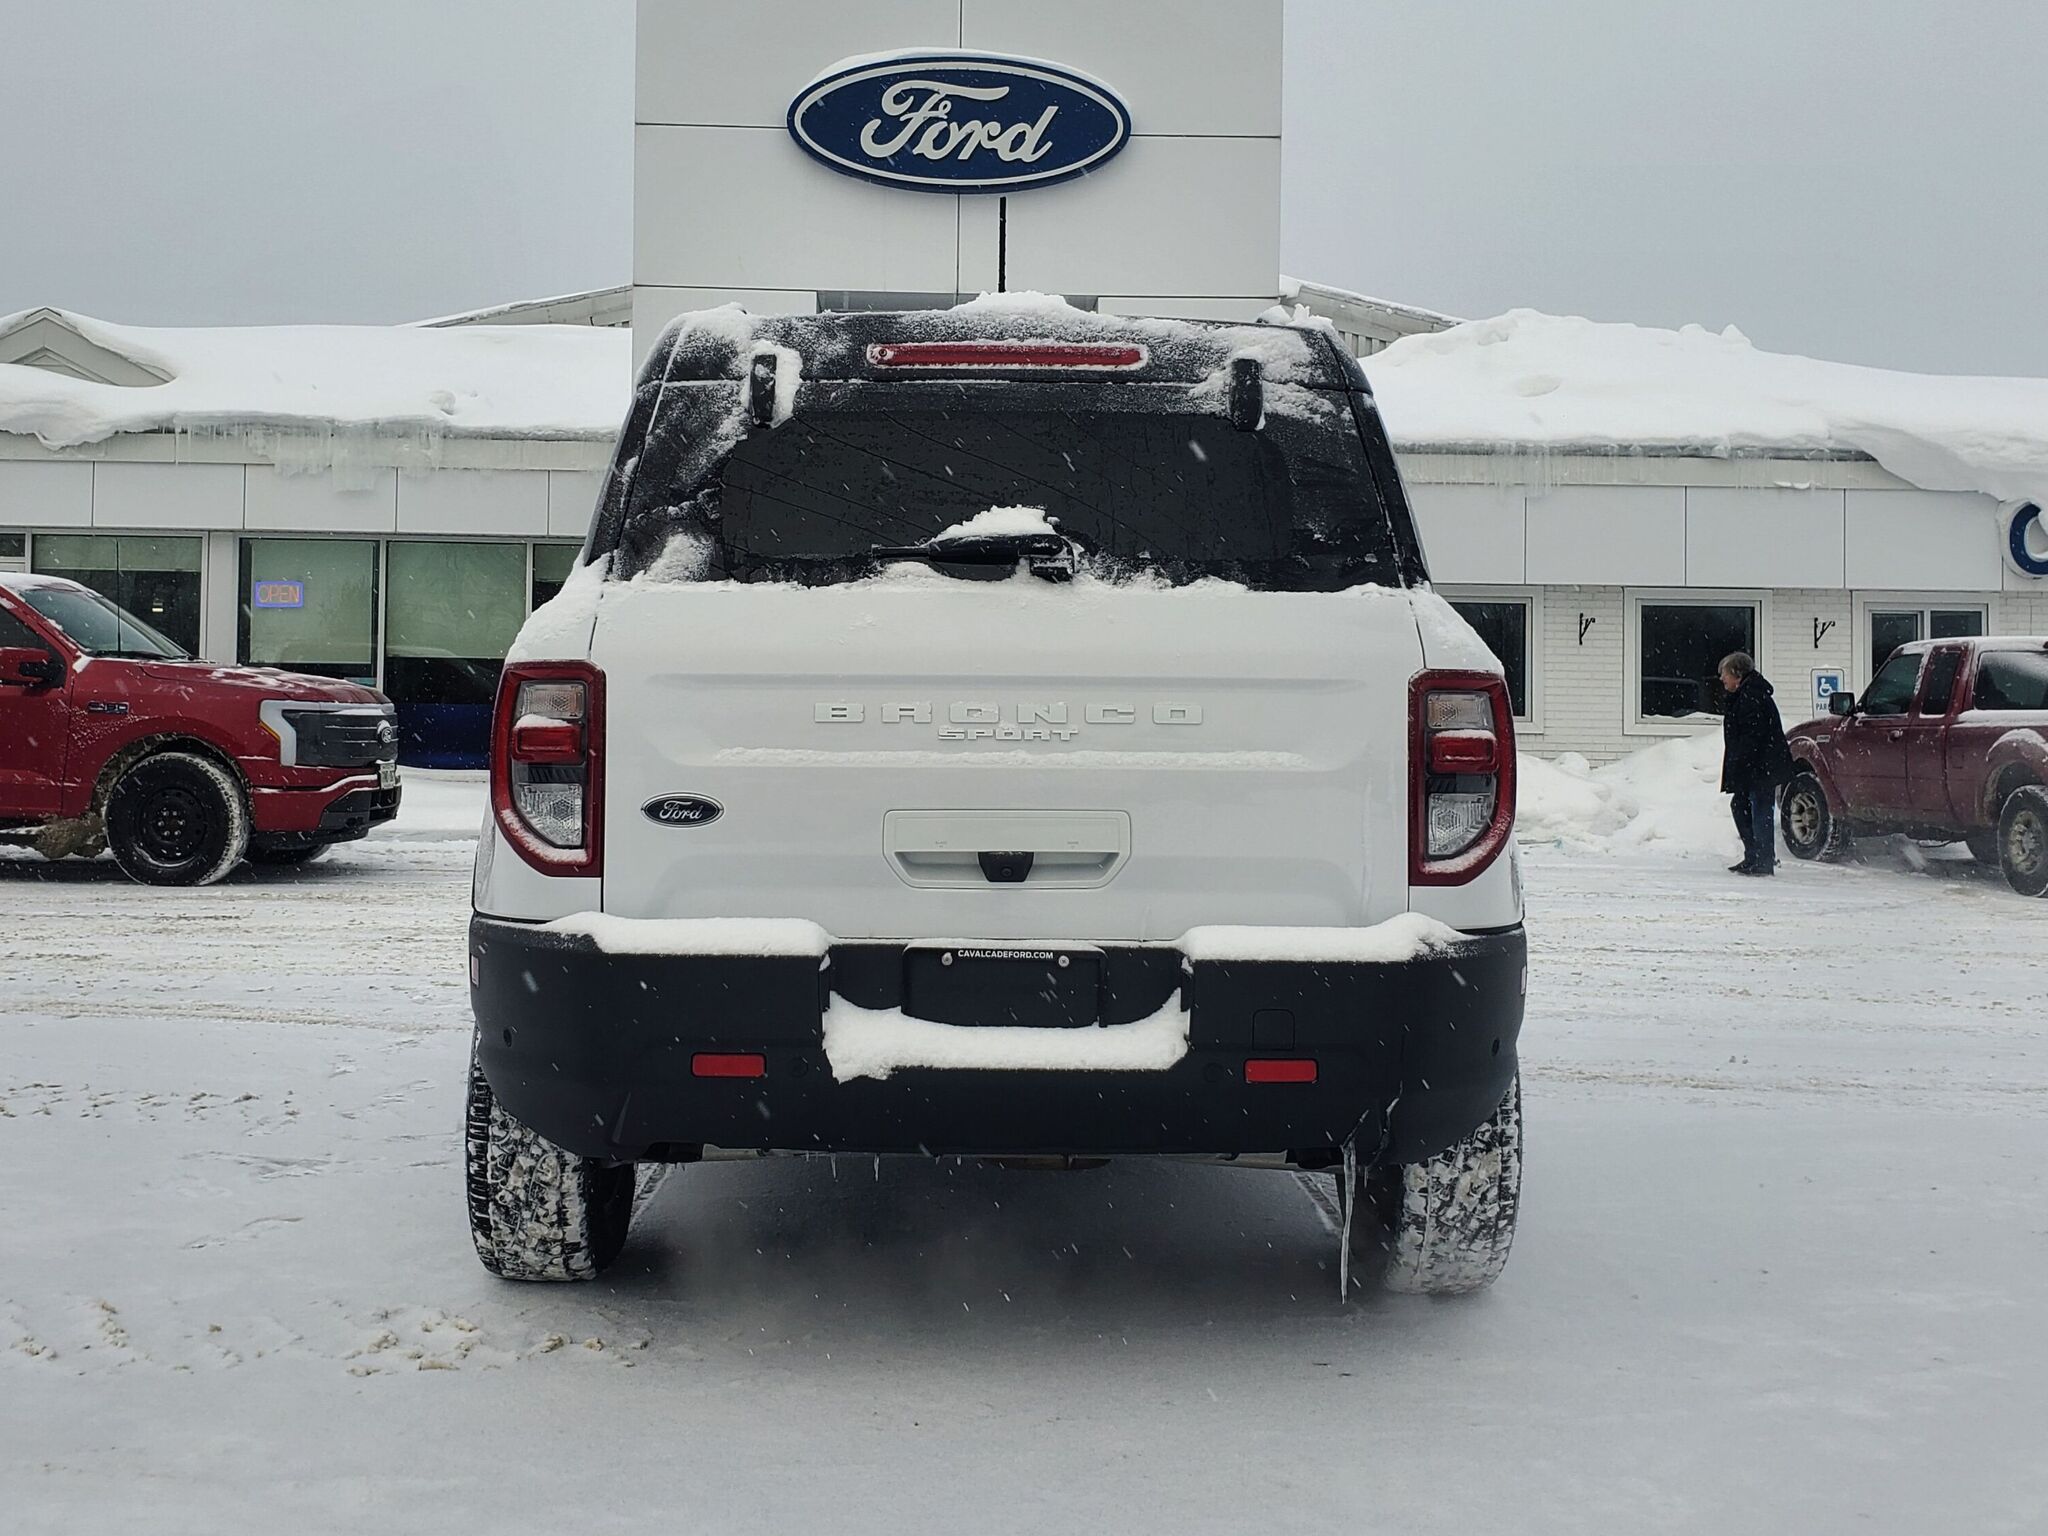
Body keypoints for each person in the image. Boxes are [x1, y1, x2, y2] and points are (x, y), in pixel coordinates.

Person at [1719, 652, 1796, 876]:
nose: (1722, 680)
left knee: (1760, 808)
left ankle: (1763, 860)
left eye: (1724, 674)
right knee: (1741, 805)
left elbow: (1753, 736)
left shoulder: (1752, 696)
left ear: (1736, 673)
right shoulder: (1745, 695)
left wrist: (1743, 762)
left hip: (1762, 766)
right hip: (1754, 764)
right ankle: (1755, 855)